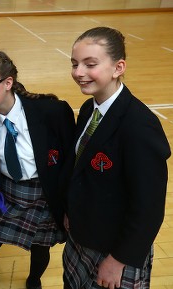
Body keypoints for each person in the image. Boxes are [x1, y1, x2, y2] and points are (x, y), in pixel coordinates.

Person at [63, 26, 171, 289]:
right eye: (75, 64)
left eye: (90, 64)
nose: (78, 73)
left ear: (118, 67)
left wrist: (118, 260)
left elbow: (149, 208)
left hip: (114, 250)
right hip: (82, 237)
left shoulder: (139, 126)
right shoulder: (89, 108)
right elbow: (81, 170)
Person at [0, 50, 76, 289]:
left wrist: (68, 207)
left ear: (8, 83)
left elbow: (70, 163)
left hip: (43, 194)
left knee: (40, 248)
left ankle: (34, 280)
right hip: (5, 194)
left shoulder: (52, 112)